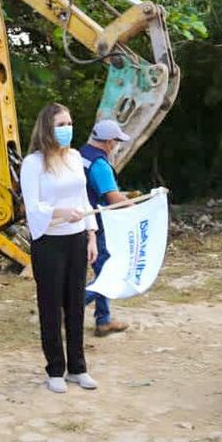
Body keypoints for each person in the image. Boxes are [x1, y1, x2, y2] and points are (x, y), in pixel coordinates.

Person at [20, 103, 98, 394]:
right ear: (47, 129)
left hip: (76, 238)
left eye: (69, 123)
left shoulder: (75, 157)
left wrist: (91, 234)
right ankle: (55, 368)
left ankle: (78, 367)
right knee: (51, 305)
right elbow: (32, 206)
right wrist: (60, 212)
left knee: (76, 304)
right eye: (60, 125)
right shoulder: (34, 163)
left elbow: (83, 199)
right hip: (49, 241)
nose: (67, 129)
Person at [80, 119, 131, 338]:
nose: (117, 146)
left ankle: (104, 320)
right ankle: (71, 306)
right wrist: (136, 206)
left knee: (103, 270)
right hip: (95, 224)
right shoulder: (100, 165)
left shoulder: (81, 154)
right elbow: (112, 198)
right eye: (117, 142)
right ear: (109, 142)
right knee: (108, 273)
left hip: (79, 220)